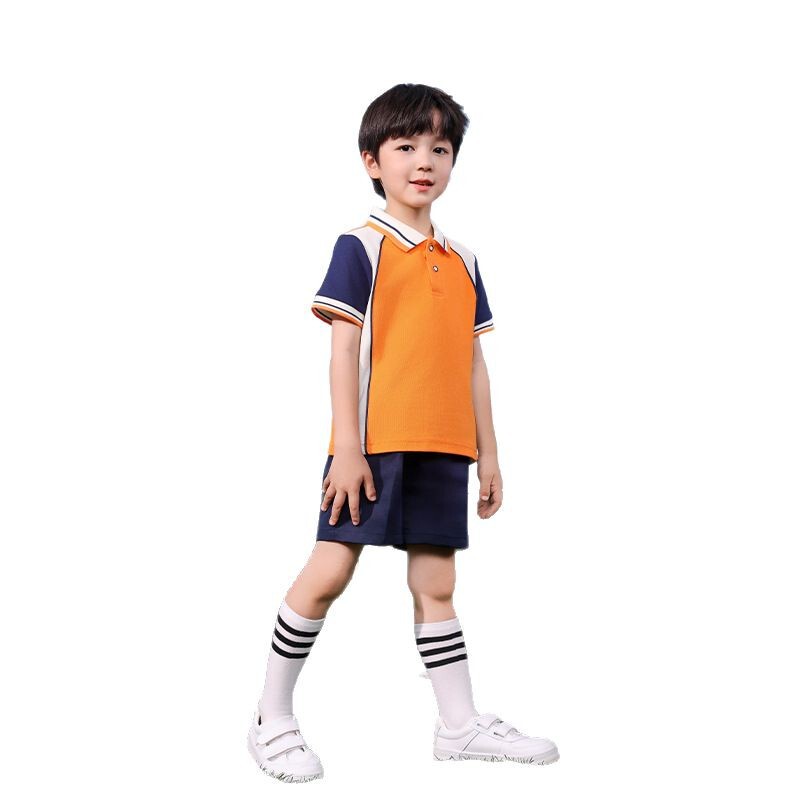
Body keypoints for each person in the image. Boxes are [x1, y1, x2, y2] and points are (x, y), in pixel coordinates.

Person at [246, 83, 559, 783]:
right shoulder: (361, 246)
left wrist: (489, 454)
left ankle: (458, 726)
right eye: (406, 146)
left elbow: (472, 363)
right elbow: (344, 351)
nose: (424, 161)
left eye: (440, 148)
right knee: (330, 570)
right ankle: (271, 715)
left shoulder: (465, 258)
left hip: (445, 446)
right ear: (372, 161)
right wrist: (347, 448)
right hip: (373, 446)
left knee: (437, 582)